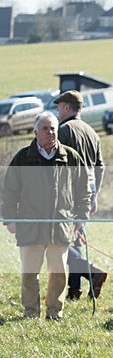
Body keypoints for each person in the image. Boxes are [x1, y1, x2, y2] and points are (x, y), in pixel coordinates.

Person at [1, 112, 91, 320]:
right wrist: (10, 220)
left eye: (53, 128)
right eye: (45, 129)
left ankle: (54, 312)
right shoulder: (23, 157)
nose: (50, 132)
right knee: (29, 274)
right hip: (30, 227)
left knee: (59, 273)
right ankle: (30, 313)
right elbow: (9, 191)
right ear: (35, 132)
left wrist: (81, 218)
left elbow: (83, 191)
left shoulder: (70, 157)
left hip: (60, 227)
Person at [54, 90, 108, 300]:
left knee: (61, 242)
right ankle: (74, 290)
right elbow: (100, 166)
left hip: (70, 192)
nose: (57, 111)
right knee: (75, 240)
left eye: (59, 107)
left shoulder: (64, 130)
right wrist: (95, 195)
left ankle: (92, 272)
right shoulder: (91, 131)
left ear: (67, 108)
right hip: (88, 191)